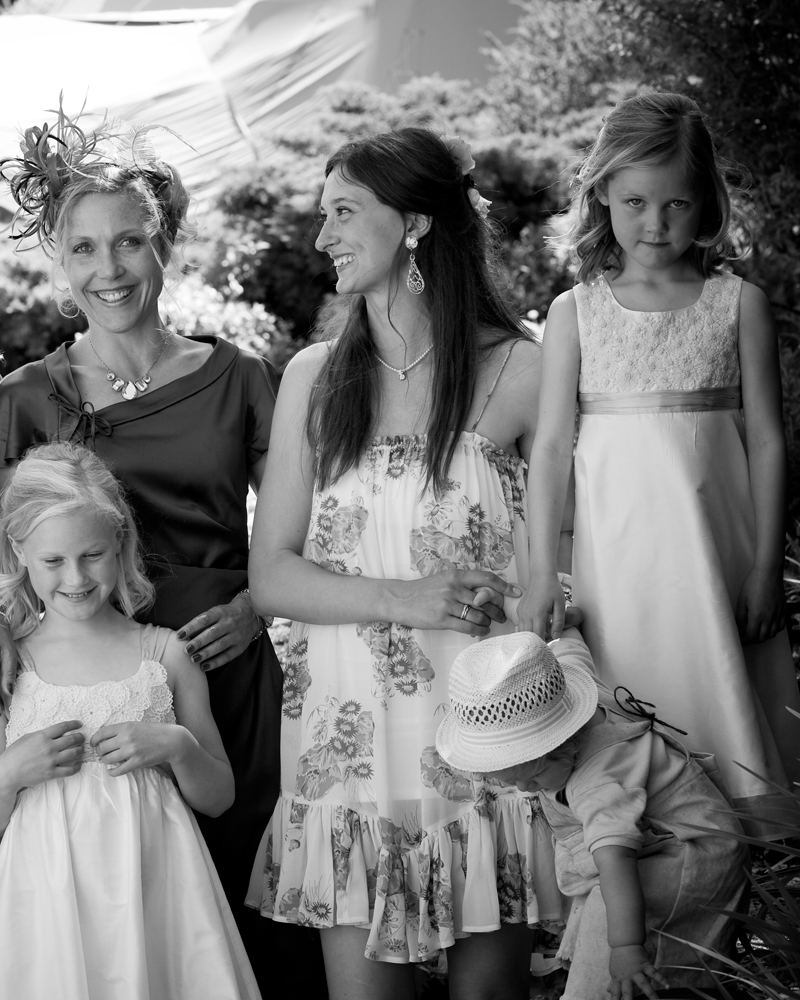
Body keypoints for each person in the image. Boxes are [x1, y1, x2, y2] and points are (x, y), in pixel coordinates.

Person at [244, 128, 573, 1000]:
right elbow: (271, 576)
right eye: (323, 215)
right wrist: (406, 597)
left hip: (487, 747)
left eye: (344, 212)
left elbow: (564, 559)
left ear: (417, 223)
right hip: (347, 758)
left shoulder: (522, 370)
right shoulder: (315, 378)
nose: (323, 237)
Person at [0, 105, 300, 991]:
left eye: (129, 242)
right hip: (84, 681)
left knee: (246, 910)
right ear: (60, 261)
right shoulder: (23, 398)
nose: (110, 269)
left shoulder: (241, 377)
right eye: (84, 249)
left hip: (223, 672)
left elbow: (308, 524)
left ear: (164, 243)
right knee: (107, 914)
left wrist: (256, 606)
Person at [517, 90, 800, 830]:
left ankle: (745, 861)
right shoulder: (576, 312)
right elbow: (550, 448)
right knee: (636, 709)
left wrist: (766, 568)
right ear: (603, 194)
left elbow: (768, 441)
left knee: (728, 699)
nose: (655, 223)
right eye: (636, 202)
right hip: (620, 568)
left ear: (704, 201)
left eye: (676, 203)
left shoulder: (738, 304)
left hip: (719, 557)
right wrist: (542, 573)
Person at [0, 442, 260, 998]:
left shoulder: (166, 654)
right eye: (52, 561)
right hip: (44, 904)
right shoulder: (11, 663)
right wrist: (10, 773)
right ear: (19, 551)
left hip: (157, 895)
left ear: (120, 542)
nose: (75, 577)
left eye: (92, 554)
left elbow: (220, 797)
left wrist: (177, 746)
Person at [435, 629, 749, 1000]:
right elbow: (570, 644)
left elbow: (617, 862)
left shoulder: (596, 782)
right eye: (512, 780)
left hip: (682, 856)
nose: (524, 789)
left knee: (617, 972)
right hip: (660, 842)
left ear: (563, 745)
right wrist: (566, 621)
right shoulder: (561, 689)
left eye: (533, 777)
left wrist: (626, 947)